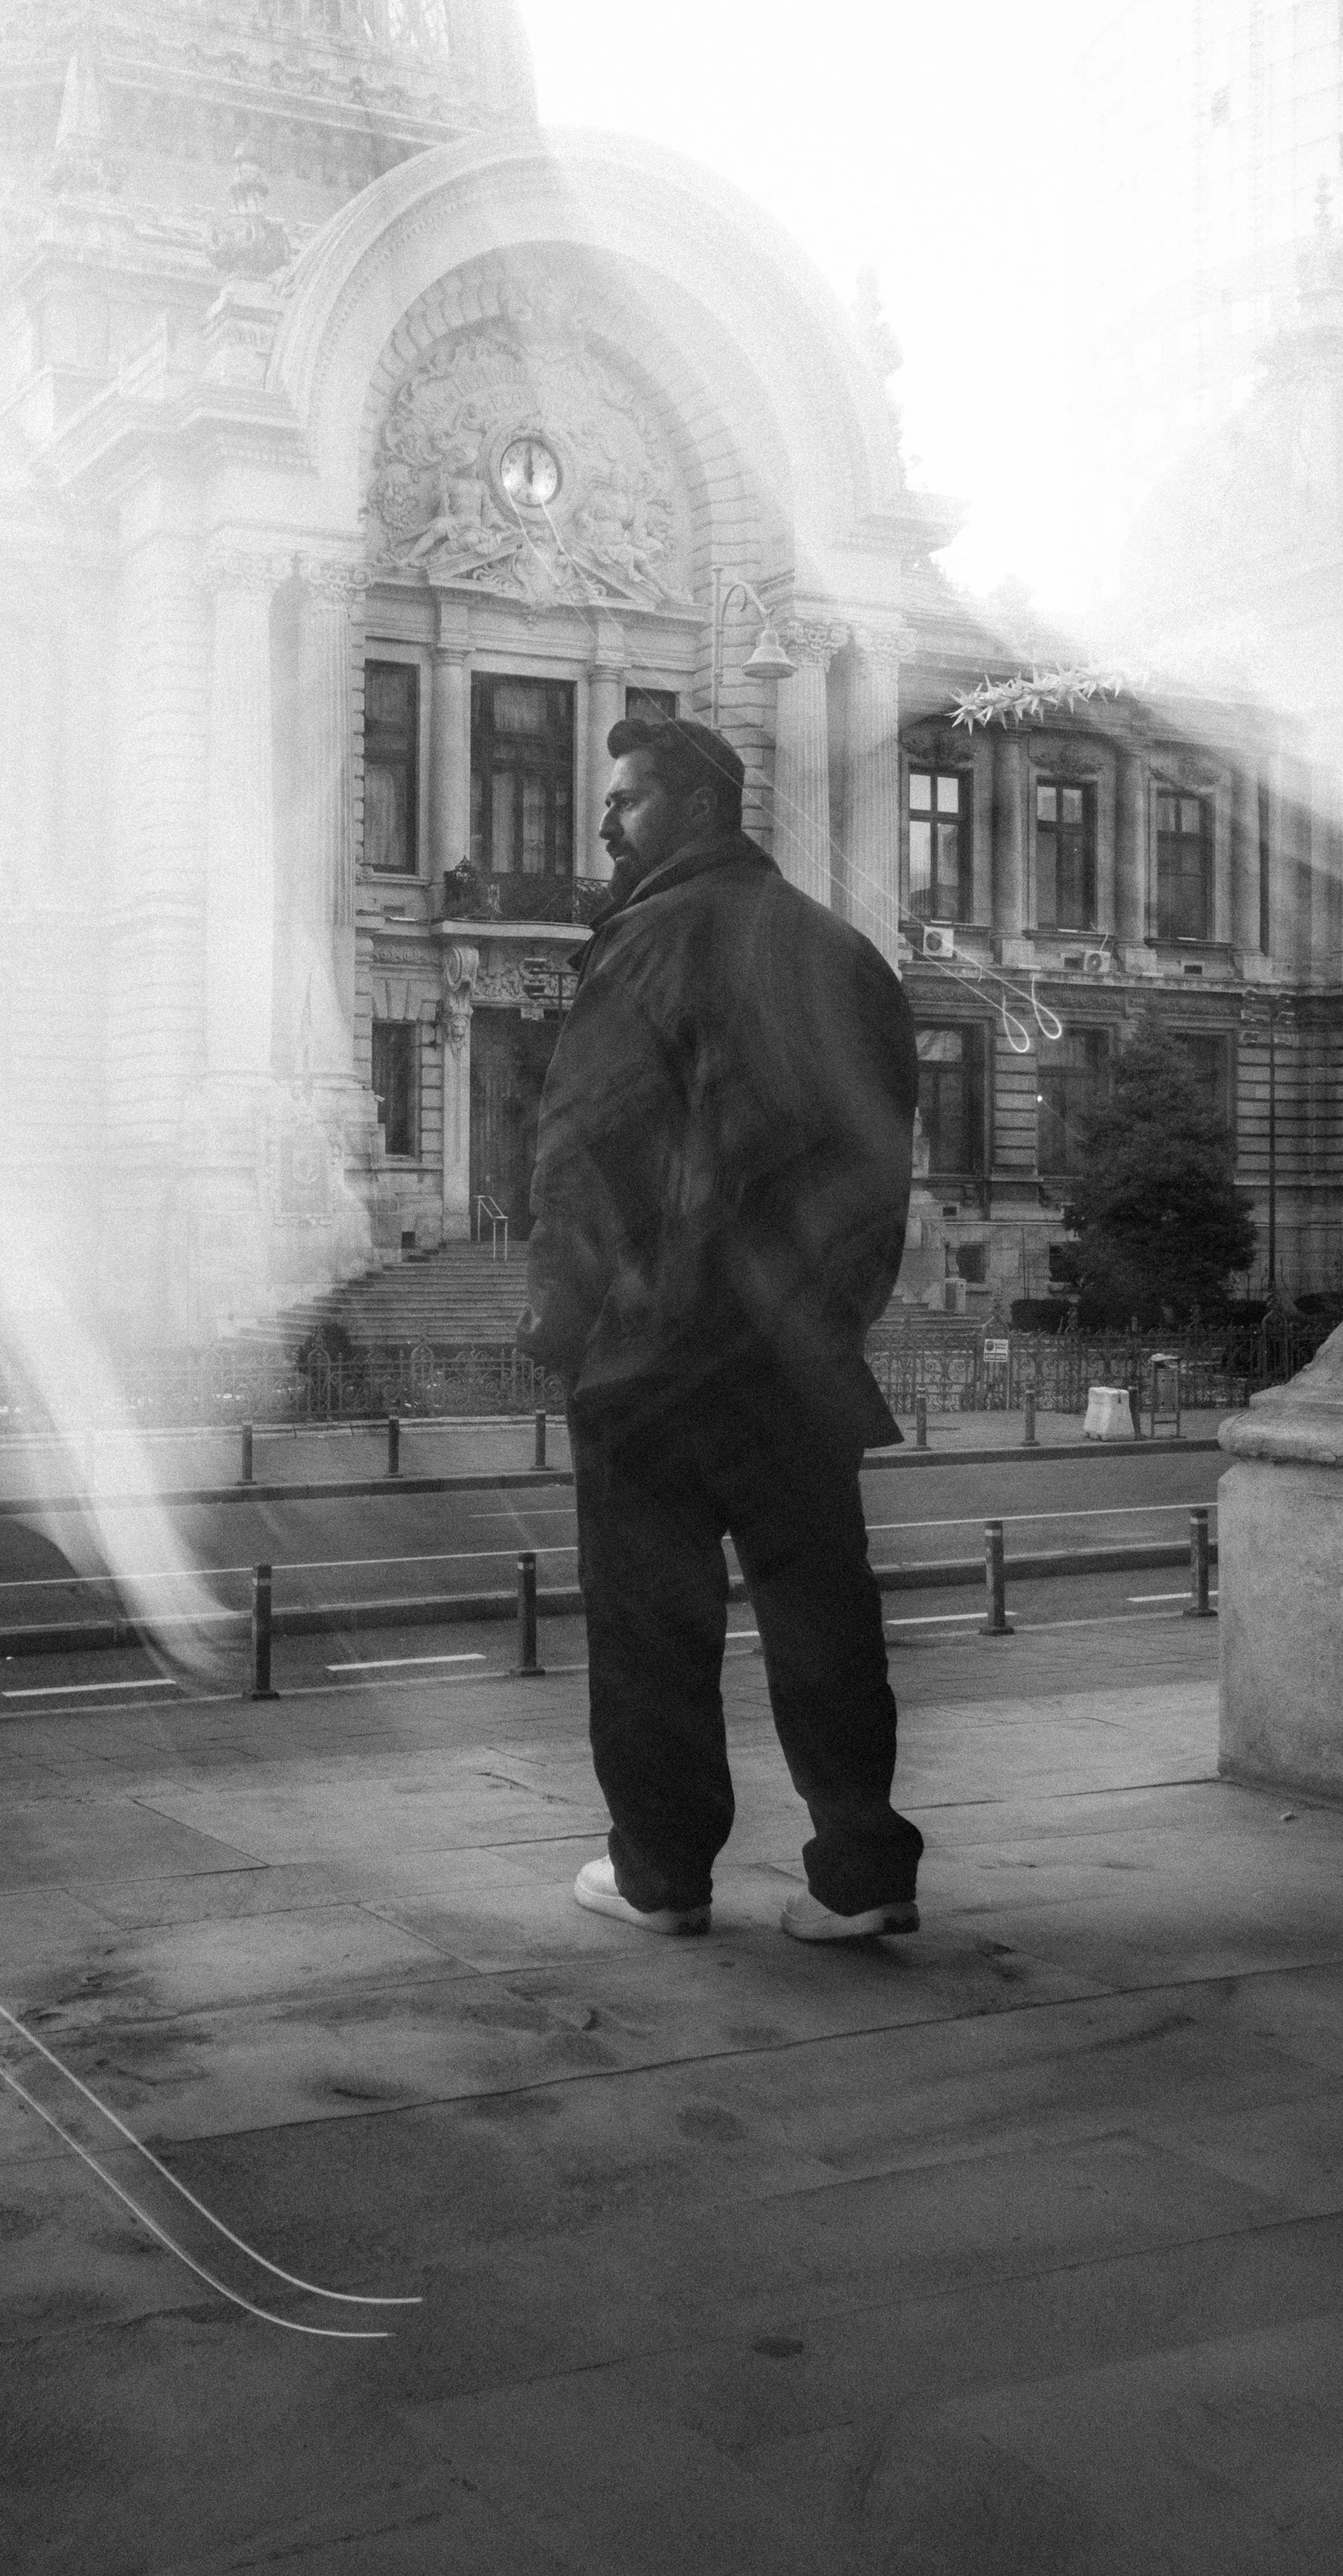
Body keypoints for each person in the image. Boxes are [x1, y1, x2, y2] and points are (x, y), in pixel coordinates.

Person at [519, 710, 922, 1942]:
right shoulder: (844, 951)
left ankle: (663, 1873)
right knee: (825, 1618)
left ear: (700, 809)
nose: (605, 821)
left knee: (652, 1629)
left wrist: (563, 1328)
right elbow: (882, 1162)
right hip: (797, 1357)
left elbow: (583, 1155)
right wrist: (830, 1314)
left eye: (628, 801)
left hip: (657, 1355)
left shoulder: (642, 946)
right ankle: (862, 1875)